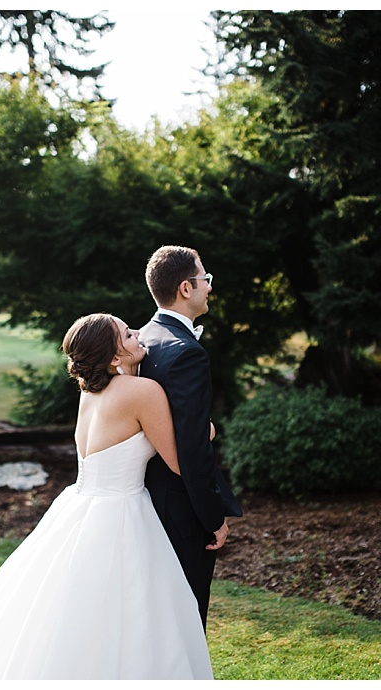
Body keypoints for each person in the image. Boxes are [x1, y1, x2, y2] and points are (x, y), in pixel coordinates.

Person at [0, 313, 213, 680]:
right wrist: (205, 431)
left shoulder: (89, 393)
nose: (137, 334)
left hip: (80, 505)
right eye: (128, 334)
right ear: (114, 357)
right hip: (122, 512)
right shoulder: (141, 392)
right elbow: (179, 462)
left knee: (71, 616)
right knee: (132, 614)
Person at [139, 245, 243, 629]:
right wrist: (213, 517)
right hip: (181, 510)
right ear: (186, 288)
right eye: (206, 280)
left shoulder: (144, 339)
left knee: (156, 615)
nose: (209, 288)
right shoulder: (186, 353)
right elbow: (193, 449)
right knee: (185, 616)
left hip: (146, 499)